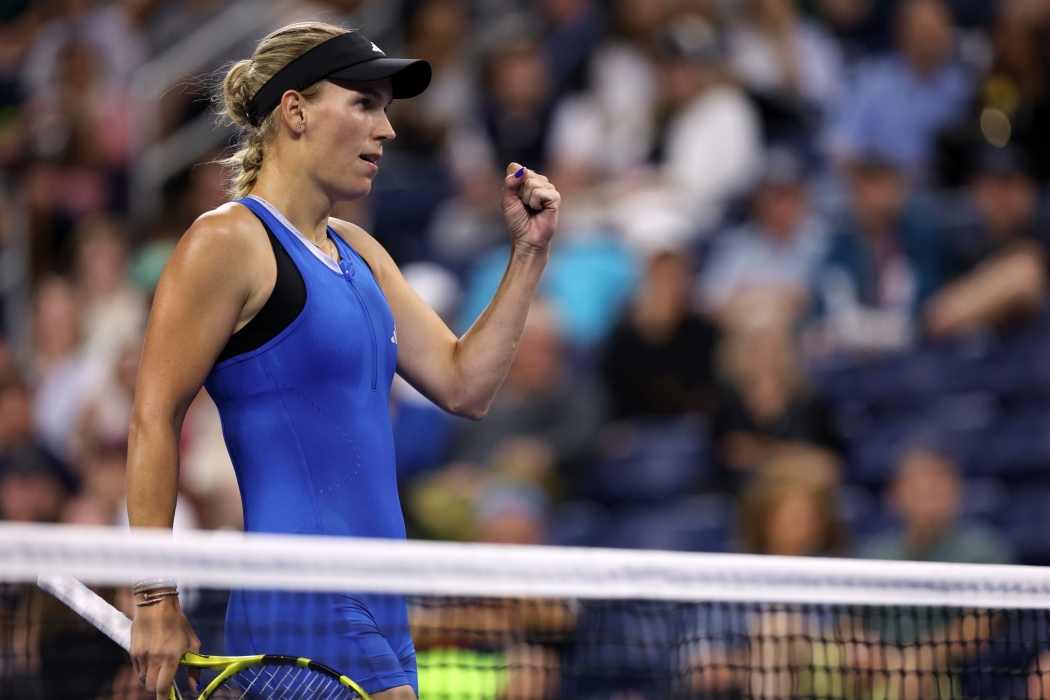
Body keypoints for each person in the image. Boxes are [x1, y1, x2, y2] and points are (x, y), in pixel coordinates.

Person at [125, 22, 561, 700]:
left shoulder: (360, 250)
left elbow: (465, 384)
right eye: (364, 103)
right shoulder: (225, 242)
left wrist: (528, 254)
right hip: (303, 597)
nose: (385, 129)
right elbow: (153, 418)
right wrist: (154, 597)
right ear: (295, 111)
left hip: (384, 606)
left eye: (385, 108)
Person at [860, 445, 1014, 563]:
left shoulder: (984, 553)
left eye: (939, 486)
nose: (932, 495)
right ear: (893, 496)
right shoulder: (876, 557)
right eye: (921, 490)